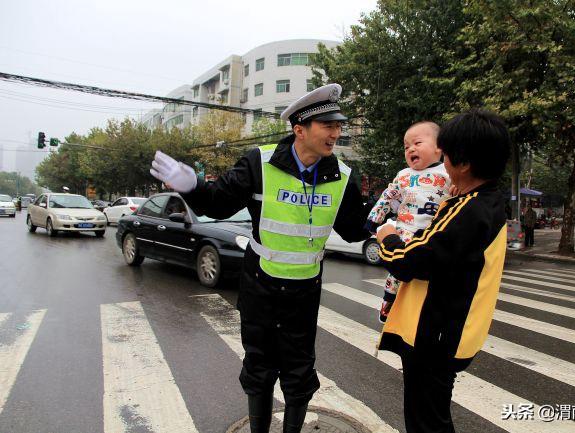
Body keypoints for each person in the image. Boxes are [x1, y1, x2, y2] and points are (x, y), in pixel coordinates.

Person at [149, 83, 370, 433]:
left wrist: (387, 217)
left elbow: (355, 230)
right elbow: (219, 204)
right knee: (260, 368)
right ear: (300, 129)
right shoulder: (260, 162)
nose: (336, 133)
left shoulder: (342, 176)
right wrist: (191, 187)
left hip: (305, 291)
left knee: (299, 372)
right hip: (260, 286)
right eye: (328, 126)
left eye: (338, 125)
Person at [376, 108, 510, 433]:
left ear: (462, 163)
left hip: (436, 337)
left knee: (426, 421)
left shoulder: (470, 209)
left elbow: (412, 261)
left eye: (446, 154)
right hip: (451, 332)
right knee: (433, 415)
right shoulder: (484, 202)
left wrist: (387, 234)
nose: (443, 161)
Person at [366, 121, 451, 322]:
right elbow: (388, 197)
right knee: (395, 274)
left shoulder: (447, 173)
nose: (410, 149)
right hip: (403, 233)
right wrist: (374, 220)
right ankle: (388, 305)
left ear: (439, 147)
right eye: (406, 147)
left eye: (417, 143)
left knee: (428, 280)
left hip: (431, 236)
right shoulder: (403, 175)